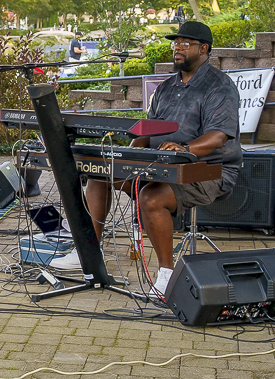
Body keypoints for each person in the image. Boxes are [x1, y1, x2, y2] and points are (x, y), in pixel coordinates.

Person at [49, 21, 241, 298]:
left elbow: (218, 136)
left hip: (209, 169)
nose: (177, 48)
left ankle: (166, 275)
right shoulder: (166, 87)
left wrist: (184, 148)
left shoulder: (219, 86)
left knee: (152, 197)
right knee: (100, 174)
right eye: (175, 43)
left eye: (184, 44)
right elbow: (147, 131)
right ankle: (88, 253)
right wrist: (128, 154)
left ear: (204, 49)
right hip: (161, 164)